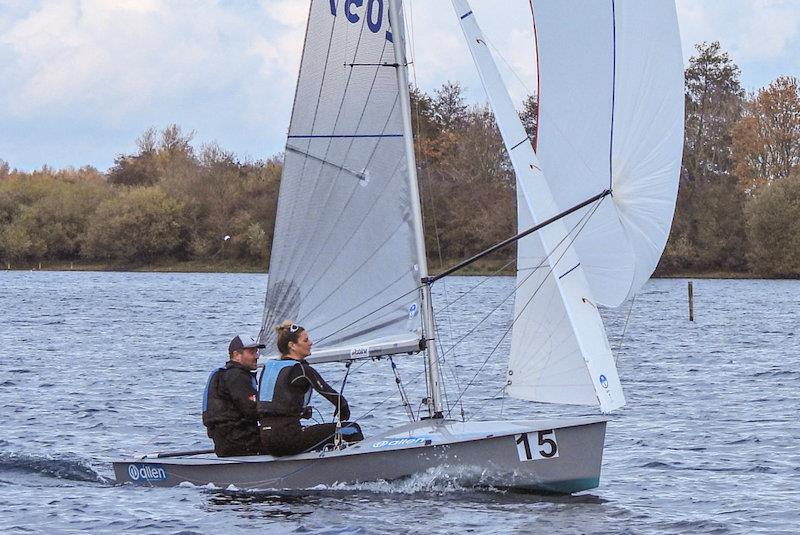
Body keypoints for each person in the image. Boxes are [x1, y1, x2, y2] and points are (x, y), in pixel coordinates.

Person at [259, 321, 363, 456]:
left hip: (266, 439)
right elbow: (336, 399)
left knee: (312, 433)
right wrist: (343, 409)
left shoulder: (268, 367)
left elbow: (275, 405)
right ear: (292, 346)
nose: (311, 343)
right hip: (288, 439)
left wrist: (301, 412)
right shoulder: (302, 370)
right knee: (352, 429)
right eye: (306, 340)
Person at [202, 334, 266, 457]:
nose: (257, 356)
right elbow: (252, 410)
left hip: (226, 440)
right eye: (252, 352)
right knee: (284, 441)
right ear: (236, 355)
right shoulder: (237, 376)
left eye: (257, 352)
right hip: (239, 441)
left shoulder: (226, 374)